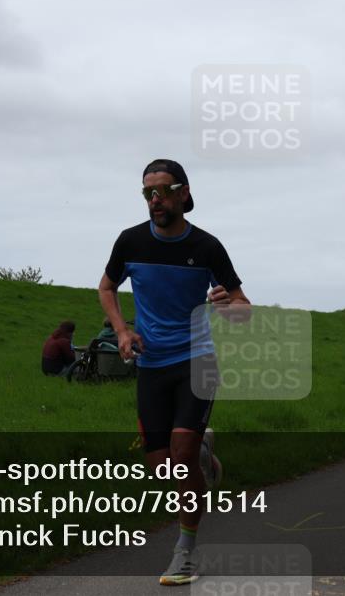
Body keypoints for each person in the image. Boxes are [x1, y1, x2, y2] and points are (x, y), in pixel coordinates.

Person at [98, 159, 249, 586]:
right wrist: (123, 330)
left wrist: (228, 306)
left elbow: (244, 308)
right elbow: (106, 287)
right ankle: (203, 453)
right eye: (148, 192)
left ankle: (185, 552)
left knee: (180, 459)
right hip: (151, 365)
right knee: (163, 467)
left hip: (196, 360)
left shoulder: (206, 248)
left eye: (163, 190)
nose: (155, 200)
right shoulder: (130, 242)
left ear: (184, 193)